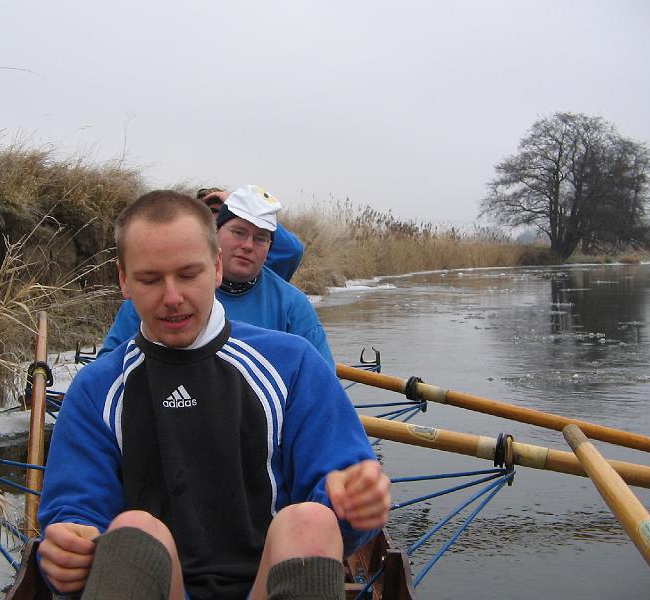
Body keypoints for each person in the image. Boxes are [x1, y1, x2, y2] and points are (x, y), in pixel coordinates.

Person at [37, 190, 390, 600]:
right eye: (150, 280)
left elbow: (345, 500)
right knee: (136, 527)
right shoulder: (95, 389)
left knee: (311, 520)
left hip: (267, 583)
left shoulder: (293, 363)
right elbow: (75, 514)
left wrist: (355, 502)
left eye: (189, 275)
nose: (172, 298)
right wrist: (67, 548)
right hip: (157, 583)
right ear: (124, 280)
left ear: (217, 268)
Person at [98, 185, 335, 369]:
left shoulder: (293, 305)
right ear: (215, 234)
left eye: (260, 238)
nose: (248, 245)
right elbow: (106, 368)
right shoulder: (157, 296)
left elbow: (323, 387)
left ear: (270, 247)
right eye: (238, 232)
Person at [196, 187, 303, 281]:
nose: (248, 246)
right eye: (211, 211)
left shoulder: (251, 264)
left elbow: (292, 250)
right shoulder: (191, 265)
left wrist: (258, 216)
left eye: (223, 211)